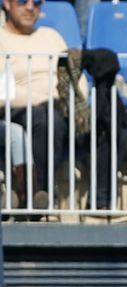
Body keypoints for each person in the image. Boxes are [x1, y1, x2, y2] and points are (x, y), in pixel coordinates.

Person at [0, 0, 68, 202]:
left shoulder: (51, 36)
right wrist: (45, 101)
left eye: (36, 2)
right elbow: (3, 90)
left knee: (110, 111)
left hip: (59, 106)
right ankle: (40, 193)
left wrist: (73, 100)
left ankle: (101, 203)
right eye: (22, 1)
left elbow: (73, 72)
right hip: (16, 108)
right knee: (42, 116)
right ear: (6, 4)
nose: (30, 7)